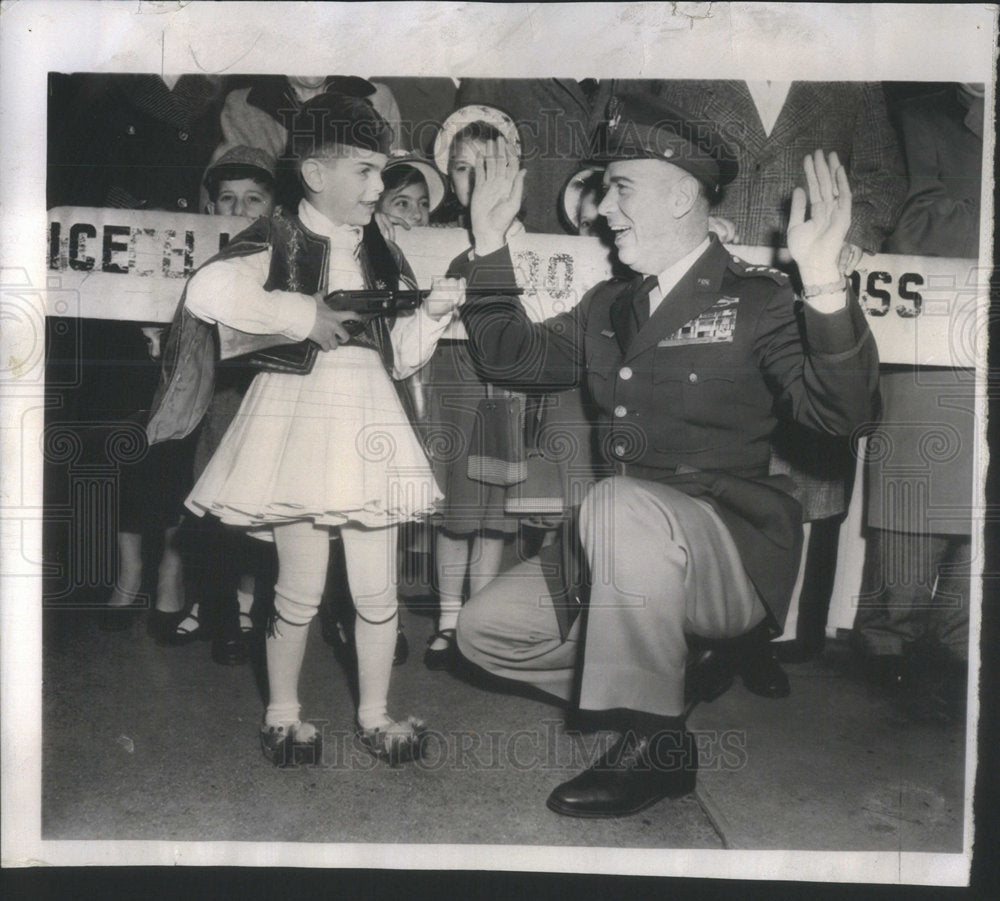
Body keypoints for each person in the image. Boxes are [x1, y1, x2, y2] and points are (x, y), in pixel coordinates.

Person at [455, 94, 880, 817]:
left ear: (684, 194)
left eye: (620, 188)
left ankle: (652, 742)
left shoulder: (761, 300)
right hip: (622, 550)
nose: (600, 209)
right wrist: (489, 240)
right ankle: (669, 679)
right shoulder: (606, 306)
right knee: (484, 632)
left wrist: (825, 285)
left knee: (615, 501)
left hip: (729, 551)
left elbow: (844, 414)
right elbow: (509, 356)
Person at [146, 92, 464, 766]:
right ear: (317, 173)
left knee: (377, 591)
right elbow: (206, 292)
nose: (380, 187)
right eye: (367, 172)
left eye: (383, 174)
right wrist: (301, 316)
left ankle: (376, 713)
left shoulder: (381, 249)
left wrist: (431, 313)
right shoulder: (281, 235)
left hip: (368, 419)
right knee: (298, 586)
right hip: (295, 420)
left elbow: (401, 354)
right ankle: (282, 713)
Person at [853, 83, 982, 702]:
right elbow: (910, 227)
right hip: (932, 332)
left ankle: (959, 642)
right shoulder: (915, 117)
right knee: (918, 490)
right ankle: (886, 638)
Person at [162, 145, 284, 663]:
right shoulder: (186, 252)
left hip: (266, 387)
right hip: (214, 390)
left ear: (273, 210)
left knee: (261, 499)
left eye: (253, 199)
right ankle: (212, 601)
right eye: (228, 199)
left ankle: (248, 604)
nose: (239, 210)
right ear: (209, 208)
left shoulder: (284, 251)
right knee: (210, 493)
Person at [416, 109, 527, 671]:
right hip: (455, 376)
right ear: (448, 177)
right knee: (458, 506)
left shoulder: (526, 243)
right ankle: (447, 620)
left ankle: (478, 623)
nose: (477, 181)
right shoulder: (428, 240)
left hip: (507, 384)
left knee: (494, 511)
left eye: (490, 168)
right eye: (463, 169)